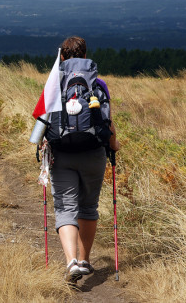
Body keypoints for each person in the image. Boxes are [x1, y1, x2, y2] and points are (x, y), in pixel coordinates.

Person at [50, 36, 120, 283]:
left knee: (65, 207)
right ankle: (85, 260)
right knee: (88, 207)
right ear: (85, 55)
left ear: (63, 56)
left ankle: (70, 263)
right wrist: (114, 145)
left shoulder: (54, 84)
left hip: (62, 155)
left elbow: (41, 123)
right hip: (93, 153)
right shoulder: (97, 83)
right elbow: (107, 120)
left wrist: (42, 148)